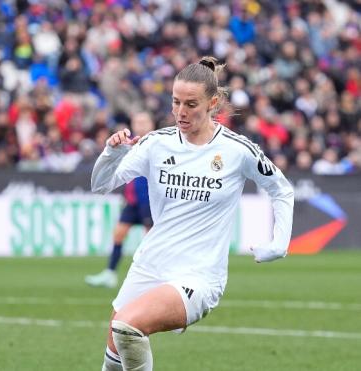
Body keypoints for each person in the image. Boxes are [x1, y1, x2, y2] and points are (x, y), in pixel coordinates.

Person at [91, 56, 294, 371]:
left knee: (127, 329)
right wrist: (111, 152)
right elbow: (101, 184)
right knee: (115, 348)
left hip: (199, 276)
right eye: (175, 102)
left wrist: (279, 243)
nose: (180, 112)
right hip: (150, 264)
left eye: (190, 104)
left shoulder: (237, 150)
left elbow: (282, 189)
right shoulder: (155, 144)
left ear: (212, 103)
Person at [85, 112, 155, 289]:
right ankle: (110, 273)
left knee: (150, 241)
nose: (140, 125)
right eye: (137, 122)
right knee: (118, 234)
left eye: (144, 121)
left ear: (151, 124)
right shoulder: (127, 144)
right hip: (132, 199)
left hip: (150, 200)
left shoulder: (156, 144)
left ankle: (151, 277)